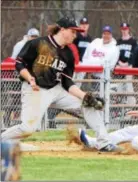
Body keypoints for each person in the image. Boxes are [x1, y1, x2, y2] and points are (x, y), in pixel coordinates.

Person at [1, 17, 122, 152]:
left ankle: (103, 143)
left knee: (88, 104)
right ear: (62, 30)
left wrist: (85, 96)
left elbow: (67, 82)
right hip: (35, 89)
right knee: (28, 128)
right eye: (73, 31)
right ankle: (2, 141)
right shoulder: (37, 43)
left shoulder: (68, 54)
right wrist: (29, 78)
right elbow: (19, 63)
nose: (75, 35)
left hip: (56, 89)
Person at [81, 25, 119, 93]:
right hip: (89, 76)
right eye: (104, 33)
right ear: (102, 34)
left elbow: (111, 66)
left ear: (111, 35)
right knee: (86, 94)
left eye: (108, 34)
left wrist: (93, 65)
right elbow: (85, 57)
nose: (106, 36)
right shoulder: (96, 43)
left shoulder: (114, 48)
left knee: (101, 96)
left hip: (103, 78)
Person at [114, 22, 137, 106]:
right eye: (123, 29)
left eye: (126, 29)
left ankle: (131, 104)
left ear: (128, 29)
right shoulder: (118, 41)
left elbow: (134, 54)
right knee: (119, 86)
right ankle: (118, 105)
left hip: (129, 66)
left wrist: (128, 63)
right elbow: (115, 54)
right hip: (119, 66)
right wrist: (119, 63)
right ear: (121, 30)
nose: (124, 31)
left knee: (128, 85)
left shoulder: (133, 41)